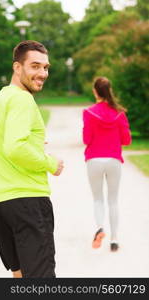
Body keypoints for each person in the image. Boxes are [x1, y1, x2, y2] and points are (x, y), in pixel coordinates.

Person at [0, 40, 64, 278]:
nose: (42, 73)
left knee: (21, 278)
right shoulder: (22, 99)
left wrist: (26, 147)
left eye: (45, 67)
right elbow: (14, 147)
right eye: (35, 66)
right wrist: (49, 163)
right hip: (28, 203)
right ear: (17, 67)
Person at [82, 77, 131, 252]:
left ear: (95, 91)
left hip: (94, 159)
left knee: (97, 199)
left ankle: (100, 227)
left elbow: (86, 139)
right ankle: (114, 239)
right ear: (109, 90)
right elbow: (126, 140)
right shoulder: (120, 114)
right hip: (113, 160)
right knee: (113, 200)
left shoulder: (88, 112)